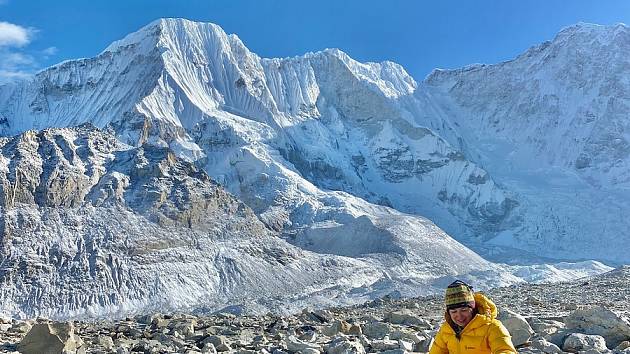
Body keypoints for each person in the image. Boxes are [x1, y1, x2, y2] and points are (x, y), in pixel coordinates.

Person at [428, 280, 517, 354]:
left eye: (464, 310)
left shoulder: (492, 327)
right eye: (454, 311)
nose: (459, 316)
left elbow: (506, 350)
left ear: (472, 309)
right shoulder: (446, 330)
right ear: (448, 313)